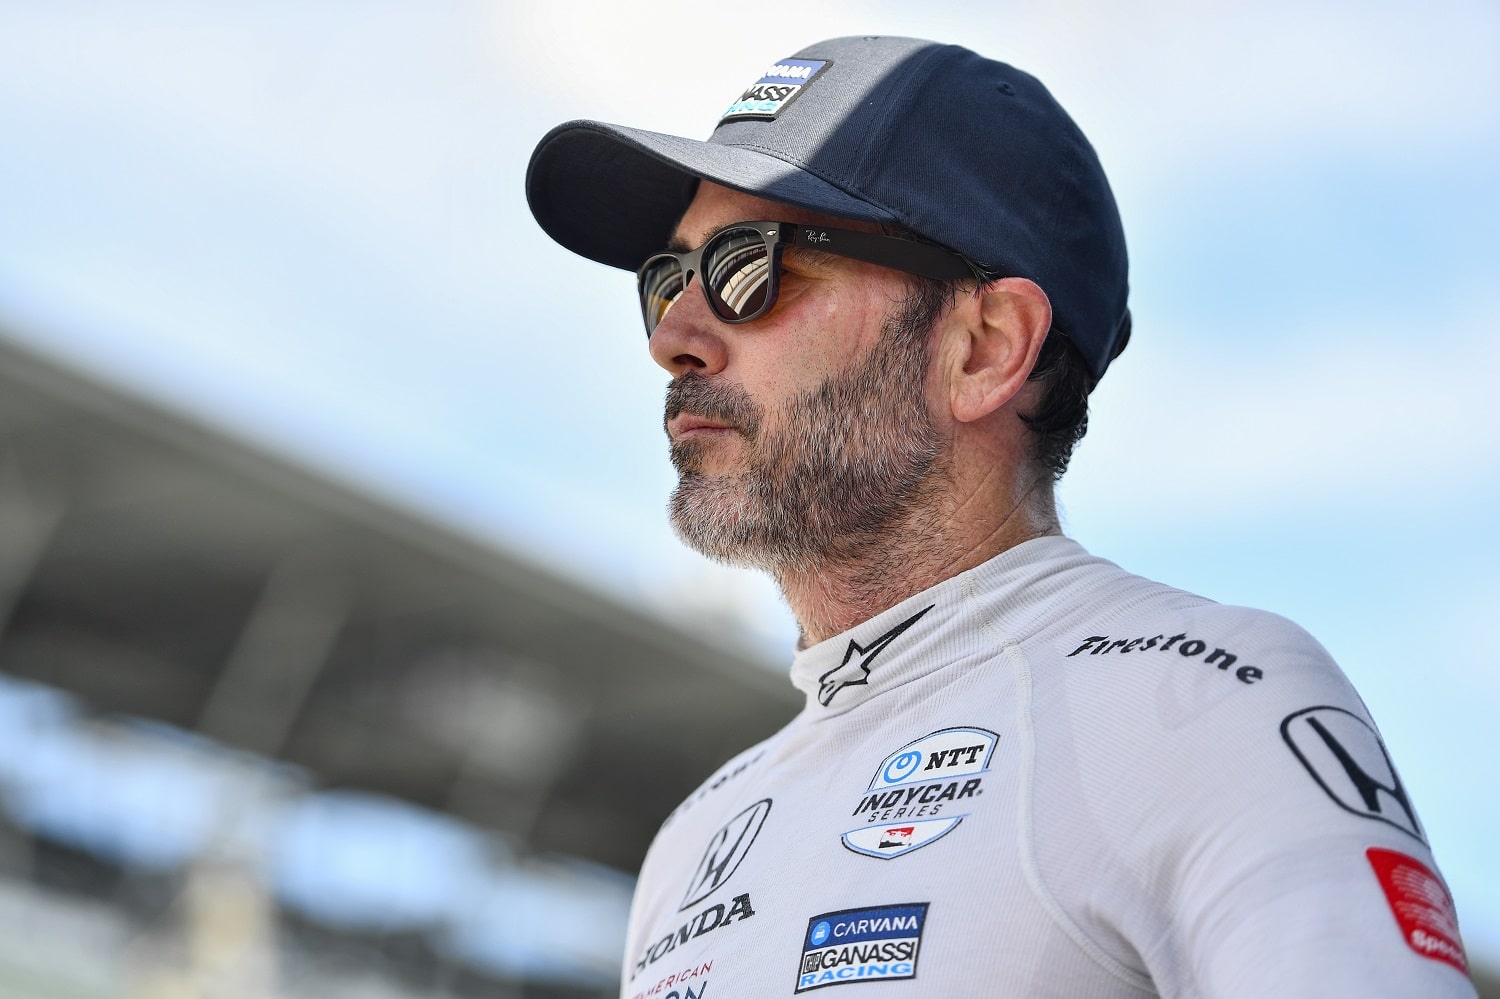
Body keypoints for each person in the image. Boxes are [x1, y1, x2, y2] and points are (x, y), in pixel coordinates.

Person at [527, 36, 1474, 997]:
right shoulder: (695, 841)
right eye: (667, 279)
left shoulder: (1204, 698)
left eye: (747, 267)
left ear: (983, 348)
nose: (675, 340)